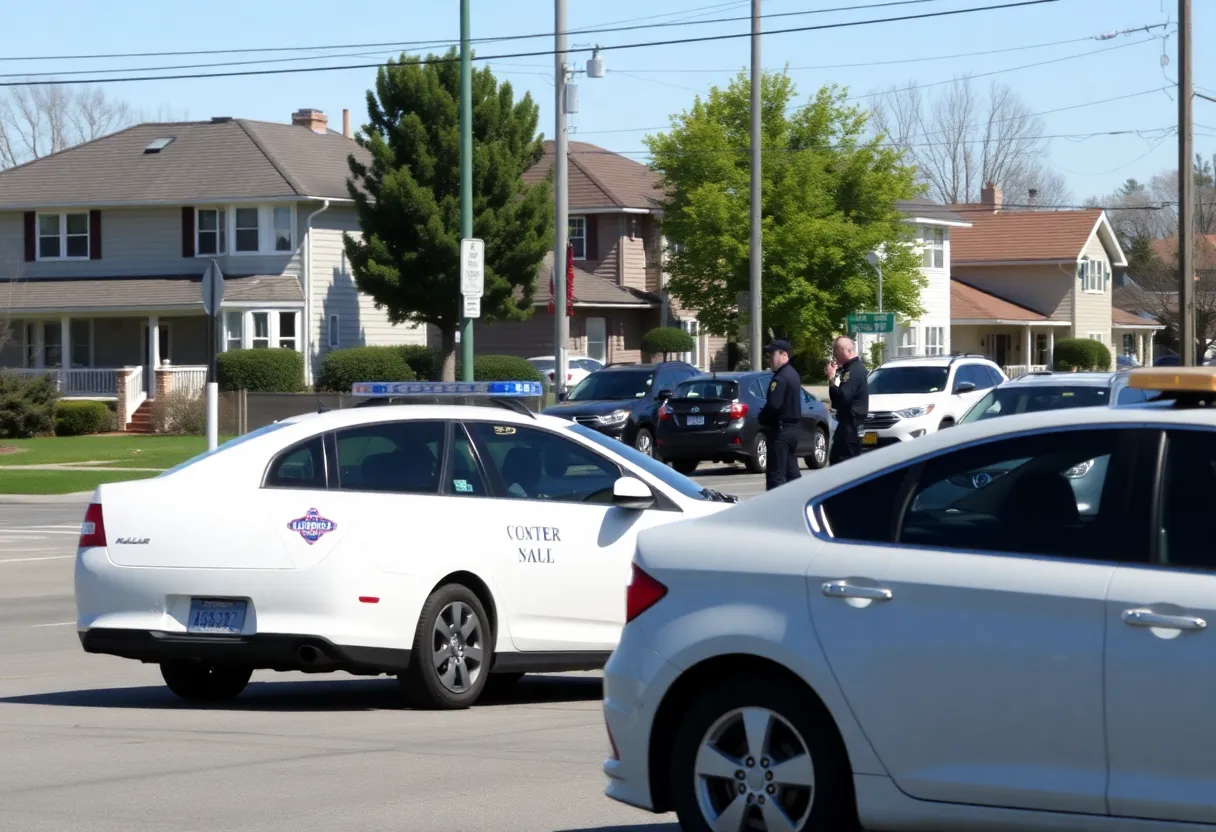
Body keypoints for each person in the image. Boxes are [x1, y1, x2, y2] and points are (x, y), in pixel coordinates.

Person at [758, 339, 803, 490]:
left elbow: (774, 405)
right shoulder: (792, 373)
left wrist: (762, 418)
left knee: (776, 474)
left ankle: (773, 509)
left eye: (772, 355)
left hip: (781, 431)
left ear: (784, 355)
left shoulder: (781, 377)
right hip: (791, 430)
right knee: (792, 474)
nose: (769, 358)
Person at [825, 336, 868, 464]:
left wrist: (832, 380)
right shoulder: (850, 368)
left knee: (843, 462)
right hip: (847, 424)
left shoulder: (853, 370)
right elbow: (837, 401)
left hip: (851, 425)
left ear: (844, 351)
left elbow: (843, 398)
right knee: (838, 460)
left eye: (835, 352)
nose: (834, 356)